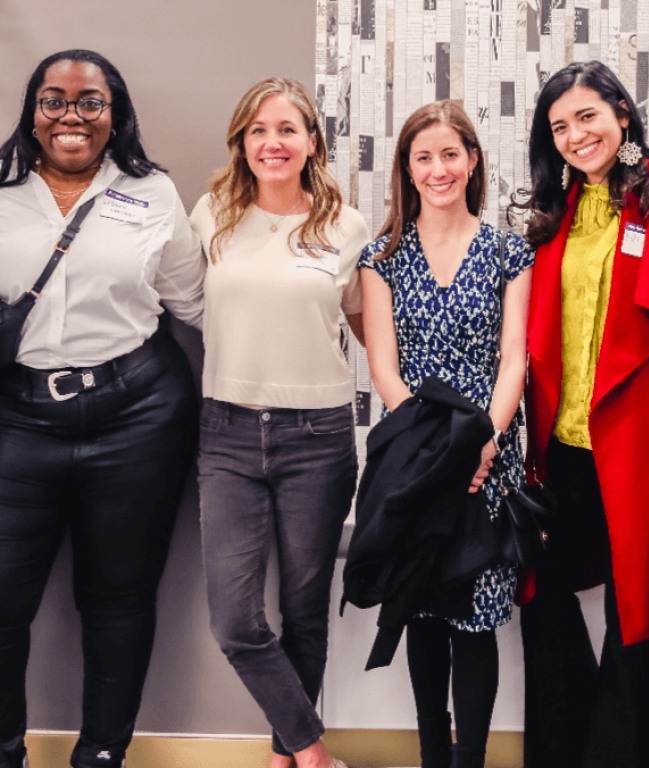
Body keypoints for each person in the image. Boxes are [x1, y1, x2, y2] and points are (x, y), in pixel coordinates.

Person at [0, 50, 204, 768]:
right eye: (54, 100)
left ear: (115, 115)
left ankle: (100, 755)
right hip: (18, 421)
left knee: (118, 600)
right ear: (33, 110)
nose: (72, 117)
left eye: (91, 102)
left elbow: (196, 301)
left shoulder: (151, 193)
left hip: (137, 416)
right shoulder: (1, 191)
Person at [514, 60, 649, 768]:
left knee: (634, 616)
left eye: (587, 116)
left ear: (623, 115)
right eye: (559, 126)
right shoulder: (555, 212)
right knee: (542, 600)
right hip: (560, 442)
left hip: (638, 437)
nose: (574, 135)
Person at [189, 77, 367, 768]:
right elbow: (181, 303)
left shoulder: (344, 225)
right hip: (226, 433)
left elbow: (361, 324)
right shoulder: (211, 216)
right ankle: (312, 748)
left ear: (312, 142)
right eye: (259, 130)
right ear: (242, 141)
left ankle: (282, 754)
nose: (273, 142)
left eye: (288, 129)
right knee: (235, 620)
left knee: (304, 609)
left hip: (319, 437)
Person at [360, 100, 533, 768]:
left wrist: (485, 438)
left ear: (473, 160)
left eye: (450, 154)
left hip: (487, 459)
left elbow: (513, 357)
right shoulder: (383, 256)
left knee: (476, 611)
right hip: (414, 455)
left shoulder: (509, 252)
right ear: (407, 168)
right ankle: (434, 752)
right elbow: (384, 366)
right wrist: (435, 449)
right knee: (423, 607)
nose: (439, 169)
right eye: (424, 157)